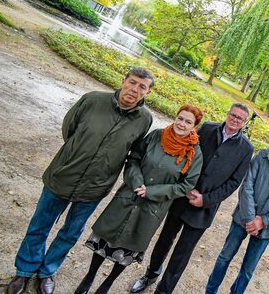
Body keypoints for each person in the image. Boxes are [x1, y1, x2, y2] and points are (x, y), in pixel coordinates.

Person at [6, 67, 154, 294]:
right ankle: (25, 271)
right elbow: (69, 130)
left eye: (141, 87)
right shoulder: (92, 100)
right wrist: (75, 156)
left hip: (95, 187)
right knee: (39, 226)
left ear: (147, 93)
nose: (134, 89)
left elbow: (131, 152)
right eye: (132, 82)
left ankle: (47, 271)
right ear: (123, 81)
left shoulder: (144, 120)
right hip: (63, 175)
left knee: (70, 233)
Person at [75, 104, 204, 294]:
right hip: (129, 194)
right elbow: (133, 158)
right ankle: (89, 276)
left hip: (152, 208)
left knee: (130, 245)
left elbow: (185, 185)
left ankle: (107, 284)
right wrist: (136, 181)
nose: (182, 124)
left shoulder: (194, 154)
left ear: (194, 126)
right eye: (180, 118)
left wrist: (151, 191)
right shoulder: (156, 136)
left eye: (188, 122)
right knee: (106, 237)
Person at [130, 103, 254, 294]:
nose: (235, 120)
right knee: (164, 240)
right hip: (182, 197)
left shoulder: (246, 148)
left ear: (244, 123)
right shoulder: (207, 128)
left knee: (182, 253)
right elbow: (188, 152)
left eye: (240, 118)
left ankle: (164, 290)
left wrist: (206, 199)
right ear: (227, 114)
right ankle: (150, 274)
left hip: (205, 208)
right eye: (233, 115)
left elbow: (234, 182)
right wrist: (186, 186)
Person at [205, 129, 269, 294]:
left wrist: (263, 221)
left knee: (247, 271)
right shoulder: (264, 155)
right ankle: (210, 291)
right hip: (243, 218)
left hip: (267, 228)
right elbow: (247, 185)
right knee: (224, 257)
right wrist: (250, 217)